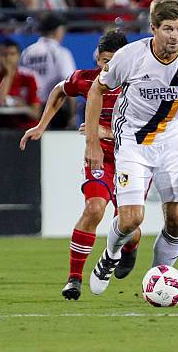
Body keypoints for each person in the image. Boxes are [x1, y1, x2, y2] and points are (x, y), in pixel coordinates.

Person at [84, 0, 178, 295]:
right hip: (134, 143)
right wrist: (93, 142)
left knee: (177, 220)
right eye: (168, 29)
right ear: (153, 29)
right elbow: (96, 89)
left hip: (174, 144)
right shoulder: (130, 56)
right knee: (131, 218)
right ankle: (109, 256)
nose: (175, 36)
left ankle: (159, 282)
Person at [20, 30, 142, 300]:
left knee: (127, 225)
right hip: (100, 157)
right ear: (97, 56)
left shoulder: (139, 84)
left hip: (134, 158)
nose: (106, 67)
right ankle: (74, 279)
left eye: (113, 61)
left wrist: (105, 132)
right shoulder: (88, 79)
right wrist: (41, 125)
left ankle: (130, 247)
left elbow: (150, 128)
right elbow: (59, 90)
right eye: (103, 60)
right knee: (94, 208)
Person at [20, 13, 76, 128]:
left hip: (31, 108)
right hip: (54, 111)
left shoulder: (27, 52)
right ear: (57, 30)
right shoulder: (60, 52)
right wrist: (72, 115)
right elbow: (70, 84)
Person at [0, 38, 41, 129]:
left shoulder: (30, 77)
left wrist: (23, 107)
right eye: (4, 55)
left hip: (27, 129)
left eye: (12, 54)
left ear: (19, 56)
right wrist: (8, 75)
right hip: (2, 129)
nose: (8, 58)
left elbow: (36, 114)